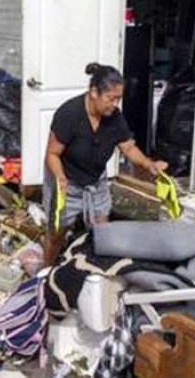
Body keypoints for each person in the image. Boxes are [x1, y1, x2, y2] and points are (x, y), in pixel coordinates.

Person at [43, 63, 168, 264]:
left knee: (102, 231)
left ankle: (94, 268)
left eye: (118, 99)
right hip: (66, 180)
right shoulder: (69, 114)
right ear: (94, 92)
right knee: (57, 233)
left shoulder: (114, 118)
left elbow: (128, 148)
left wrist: (148, 164)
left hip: (95, 181)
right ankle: (46, 268)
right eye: (111, 98)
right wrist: (60, 178)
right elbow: (52, 154)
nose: (115, 104)